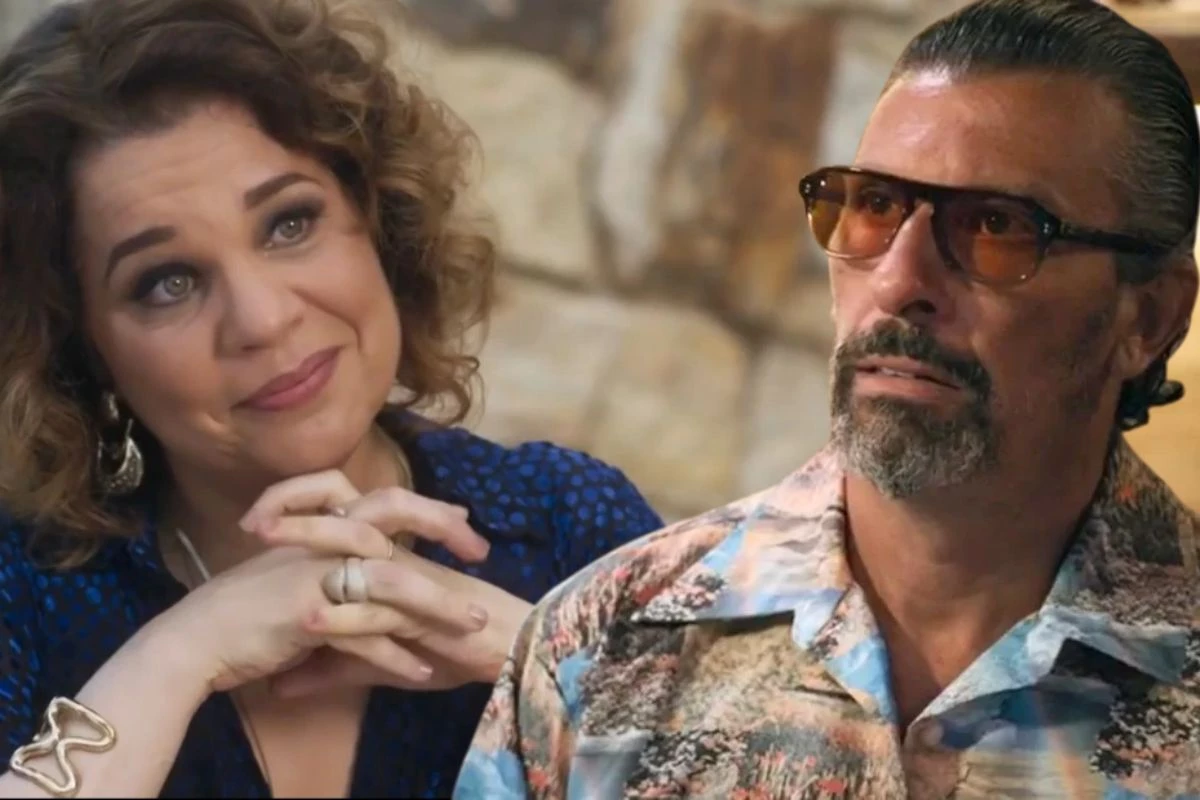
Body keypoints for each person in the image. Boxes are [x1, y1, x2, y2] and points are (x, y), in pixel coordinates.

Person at [455, 0, 1200, 797]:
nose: (899, 282)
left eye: (996, 225)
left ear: (1148, 317)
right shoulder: (600, 646)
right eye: (876, 207)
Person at [0, 0, 663, 797]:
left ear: (377, 218)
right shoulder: (28, 584)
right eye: (167, 282)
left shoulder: (567, 528)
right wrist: (178, 654)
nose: (263, 319)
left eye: (289, 224)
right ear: (81, 349)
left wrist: (531, 652)